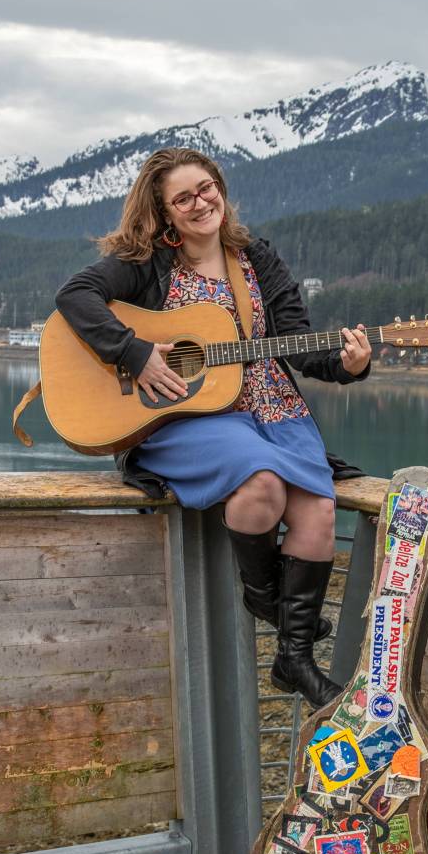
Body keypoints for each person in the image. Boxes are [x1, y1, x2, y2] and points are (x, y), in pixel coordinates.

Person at [55, 147, 372, 710]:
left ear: (220, 188)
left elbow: (296, 345)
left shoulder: (257, 259)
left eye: (206, 188)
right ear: (164, 212)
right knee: (262, 482)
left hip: (274, 410)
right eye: (183, 198)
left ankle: (295, 660)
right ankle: (268, 601)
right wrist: (134, 353)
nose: (200, 203)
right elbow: (74, 295)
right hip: (191, 417)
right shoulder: (146, 263)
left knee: (319, 512)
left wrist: (348, 364)